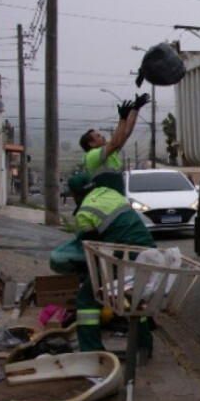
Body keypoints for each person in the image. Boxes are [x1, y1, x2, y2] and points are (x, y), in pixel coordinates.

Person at [64, 171, 155, 361]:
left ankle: (91, 351)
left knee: (87, 299)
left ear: (74, 194)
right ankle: (144, 346)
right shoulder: (108, 192)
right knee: (134, 296)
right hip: (147, 250)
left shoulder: (84, 214)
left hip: (120, 254)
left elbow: (95, 248)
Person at [79, 92, 151, 193]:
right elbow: (115, 143)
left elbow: (125, 133)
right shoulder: (92, 155)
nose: (103, 136)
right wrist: (122, 118)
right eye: (98, 136)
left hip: (114, 196)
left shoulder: (110, 154)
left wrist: (135, 109)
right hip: (102, 198)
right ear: (91, 144)